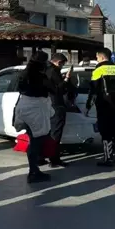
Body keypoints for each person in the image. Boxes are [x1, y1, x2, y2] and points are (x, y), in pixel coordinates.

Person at [86, 48, 115, 166]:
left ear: (101, 57)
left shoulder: (98, 70)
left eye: (97, 57)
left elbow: (93, 91)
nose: (96, 59)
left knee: (106, 133)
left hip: (104, 106)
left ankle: (108, 158)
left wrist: (88, 106)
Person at [13, 51, 54, 184]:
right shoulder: (40, 75)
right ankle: (33, 171)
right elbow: (52, 88)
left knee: (32, 139)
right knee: (36, 141)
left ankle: (34, 169)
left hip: (24, 106)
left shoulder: (25, 72)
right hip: (36, 108)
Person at [45, 53, 74, 167]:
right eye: (62, 64)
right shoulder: (54, 71)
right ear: (58, 62)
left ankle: (42, 156)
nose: (62, 67)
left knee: (46, 132)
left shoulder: (45, 70)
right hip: (56, 104)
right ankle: (54, 159)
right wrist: (66, 78)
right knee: (56, 133)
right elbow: (59, 89)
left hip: (46, 104)